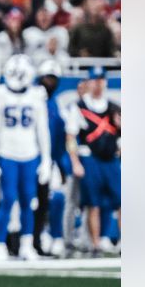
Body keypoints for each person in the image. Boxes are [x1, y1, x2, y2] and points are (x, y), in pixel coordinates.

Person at [0, 54, 51, 262]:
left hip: (30, 154)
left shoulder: (37, 95)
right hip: (7, 153)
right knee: (8, 199)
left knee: (29, 201)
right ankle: (1, 243)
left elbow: (42, 129)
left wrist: (46, 159)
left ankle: (26, 244)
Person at [36, 60, 84, 256]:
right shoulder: (31, 99)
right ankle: (28, 239)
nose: (50, 82)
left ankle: (55, 236)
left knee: (56, 198)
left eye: (53, 79)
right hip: (30, 158)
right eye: (47, 78)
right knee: (30, 202)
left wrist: (62, 165)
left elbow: (63, 138)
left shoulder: (57, 106)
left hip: (51, 161)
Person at [75, 66, 121, 254]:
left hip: (110, 159)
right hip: (91, 158)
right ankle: (95, 243)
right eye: (95, 80)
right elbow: (71, 136)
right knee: (92, 204)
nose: (98, 84)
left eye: (101, 80)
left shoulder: (113, 108)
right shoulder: (80, 107)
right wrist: (76, 161)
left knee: (121, 200)